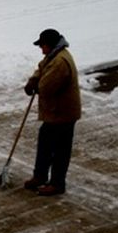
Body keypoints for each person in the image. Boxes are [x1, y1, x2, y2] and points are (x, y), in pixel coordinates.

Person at [23, 29, 81, 196]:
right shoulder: (54, 56)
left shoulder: (60, 61)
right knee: (45, 144)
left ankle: (57, 184)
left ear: (49, 45)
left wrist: (36, 86)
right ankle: (40, 177)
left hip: (63, 114)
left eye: (42, 46)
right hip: (55, 113)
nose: (41, 49)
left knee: (60, 150)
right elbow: (42, 68)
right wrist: (33, 79)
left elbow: (47, 87)